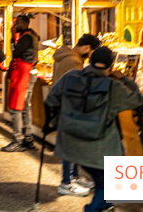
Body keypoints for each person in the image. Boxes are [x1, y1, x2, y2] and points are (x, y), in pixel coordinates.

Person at [45, 46, 143, 212]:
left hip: (71, 145)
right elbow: (140, 99)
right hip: (99, 147)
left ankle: (104, 204)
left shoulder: (70, 77)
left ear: (90, 61)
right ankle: (93, 208)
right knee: (107, 182)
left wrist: (58, 123)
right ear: (111, 65)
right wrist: (124, 79)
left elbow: (51, 100)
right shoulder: (113, 86)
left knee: (102, 180)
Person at [51, 33, 101, 197]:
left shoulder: (64, 55)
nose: (90, 57)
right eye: (91, 52)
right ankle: (66, 183)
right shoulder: (74, 62)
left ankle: (73, 177)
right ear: (87, 48)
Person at [2, 16, 40, 152]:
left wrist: (13, 38)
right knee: (25, 107)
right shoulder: (32, 36)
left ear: (24, 24)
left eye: (17, 23)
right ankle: (28, 138)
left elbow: (15, 52)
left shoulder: (26, 37)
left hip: (24, 75)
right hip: (29, 74)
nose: (15, 25)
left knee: (17, 107)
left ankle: (17, 139)